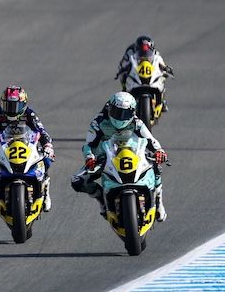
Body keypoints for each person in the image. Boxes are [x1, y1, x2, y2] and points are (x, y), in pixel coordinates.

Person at [70, 92, 169, 220]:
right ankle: (101, 200)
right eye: (117, 112)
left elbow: (150, 140)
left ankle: (159, 201)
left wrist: (159, 151)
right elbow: (88, 145)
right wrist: (90, 157)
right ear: (110, 108)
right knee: (77, 181)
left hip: (134, 153)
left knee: (155, 166)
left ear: (132, 112)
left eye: (125, 114)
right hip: (105, 157)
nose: (120, 118)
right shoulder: (98, 122)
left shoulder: (136, 122)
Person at [116, 34, 175, 107]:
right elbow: (122, 63)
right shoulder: (130, 53)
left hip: (148, 72)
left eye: (148, 49)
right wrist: (122, 69)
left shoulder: (156, 54)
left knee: (162, 78)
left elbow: (161, 63)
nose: (145, 53)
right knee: (123, 77)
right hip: (135, 72)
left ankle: (162, 101)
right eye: (142, 49)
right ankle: (125, 92)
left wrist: (165, 69)